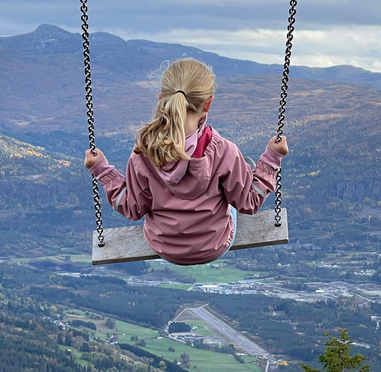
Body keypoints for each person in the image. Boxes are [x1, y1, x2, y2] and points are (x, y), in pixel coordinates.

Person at [84, 58, 288, 265]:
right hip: (214, 246)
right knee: (243, 169)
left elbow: (133, 208)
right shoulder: (225, 151)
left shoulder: (142, 154)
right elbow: (249, 202)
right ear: (208, 103)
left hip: (164, 247)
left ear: (161, 99)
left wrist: (102, 171)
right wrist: (272, 158)